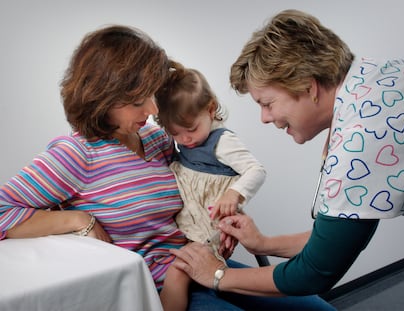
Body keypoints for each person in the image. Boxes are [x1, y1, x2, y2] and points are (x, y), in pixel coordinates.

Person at [0, 23, 335, 311]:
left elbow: (195, 187)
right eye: (136, 102)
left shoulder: (156, 139)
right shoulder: (75, 154)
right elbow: (4, 209)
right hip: (160, 287)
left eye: (152, 95)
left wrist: (223, 218)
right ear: (100, 99)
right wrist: (79, 219)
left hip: (203, 262)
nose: (151, 108)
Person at [170, 8, 404, 299]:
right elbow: (336, 242)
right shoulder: (377, 77)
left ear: (308, 86)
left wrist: (217, 274)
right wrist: (263, 243)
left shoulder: (358, 140)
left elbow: (314, 272)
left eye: (268, 103)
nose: (264, 117)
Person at [155, 61, 265, 310]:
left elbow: (256, 170)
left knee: (178, 272)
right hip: (190, 224)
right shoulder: (186, 141)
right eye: (176, 134)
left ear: (211, 109)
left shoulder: (222, 142)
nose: (185, 139)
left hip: (210, 223)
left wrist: (234, 193)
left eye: (191, 129)